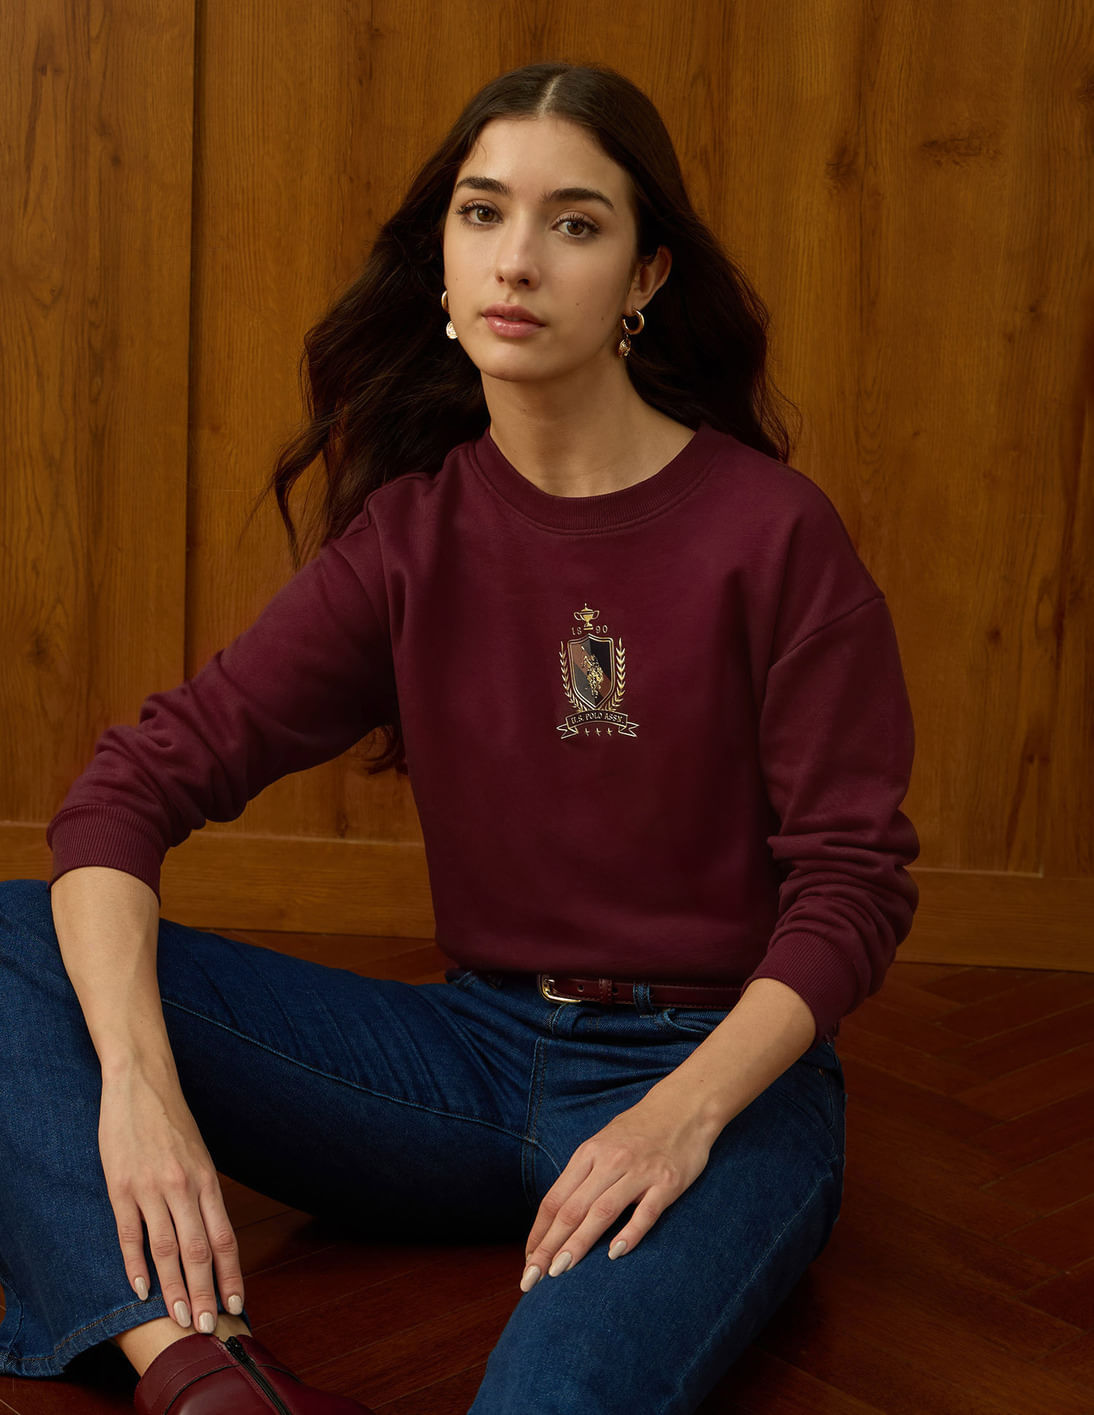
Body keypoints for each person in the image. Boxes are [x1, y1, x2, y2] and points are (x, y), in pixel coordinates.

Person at [0, 59, 918, 1415]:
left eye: (574, 223)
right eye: (483, 213)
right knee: (19, 942)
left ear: (645, 275)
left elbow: (852, 884)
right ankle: (194, 1372)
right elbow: (132, 788)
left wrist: (677, 1120)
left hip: (717, 1085)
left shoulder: (773, 534)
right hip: (468, 1065)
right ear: (440, 257)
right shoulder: (412, 541)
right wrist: (135, 1090)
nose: (517, 259)